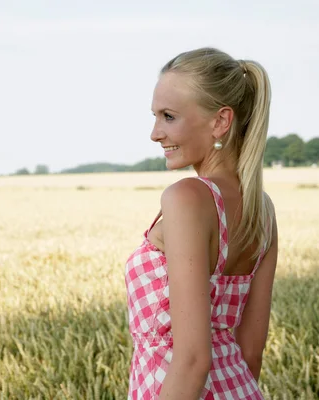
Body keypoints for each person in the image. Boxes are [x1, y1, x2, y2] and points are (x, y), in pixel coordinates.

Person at [125, 47, 278, 399]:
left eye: (168, 116)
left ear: (220, 121)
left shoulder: (187, 198)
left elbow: (193, 360)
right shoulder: (262, 209)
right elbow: (250, 352)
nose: (155, 133)